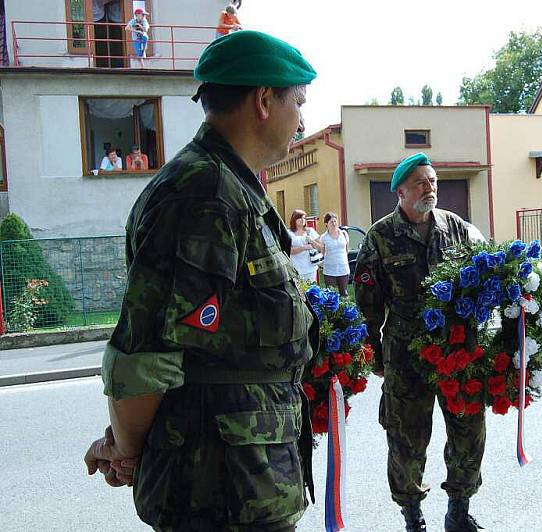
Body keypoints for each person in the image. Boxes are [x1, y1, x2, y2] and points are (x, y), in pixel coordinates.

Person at [83, 31, 318, 531]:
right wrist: (125, 448)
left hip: (247, 483)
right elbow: (148, 353)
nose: (302, 119)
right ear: (262, 100)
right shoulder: (204, 193)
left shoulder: (232, 187)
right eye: (298, 102)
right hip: (216, 492)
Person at [354, 153, 484, 532]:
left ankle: (459, 508)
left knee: (468, 431)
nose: (430, 188)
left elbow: (481, 281)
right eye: (421, 183)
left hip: (457, 349)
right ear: (400, 191)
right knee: (407, 439)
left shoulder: (456, 228)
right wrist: (374, 355)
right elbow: (367, 305)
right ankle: (412, 513)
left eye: (433, 181)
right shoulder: (380, 236)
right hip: (406, 356)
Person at [318, 212, 350, 296]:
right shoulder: (323, 237)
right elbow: (322, 252)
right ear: (326, 224)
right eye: (331, 222)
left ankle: (345, 309)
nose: (334, 223)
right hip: (329, 269)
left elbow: (346, 250)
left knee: (344, 293)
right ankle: (332, 309)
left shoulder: (344, 234)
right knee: (330, 294)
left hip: (343, 268)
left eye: (335, 221)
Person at [288, 209, 323, 283]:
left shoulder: (310, 231)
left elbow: (321, 247)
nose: (302, 220)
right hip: (296, 269)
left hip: (311, 268)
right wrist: (305, 247)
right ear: (294, 219)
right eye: (300, 218)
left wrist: (312, 242)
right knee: (299, 292)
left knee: (311, 291)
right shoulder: (289, 233)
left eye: (304, 218)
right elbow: (290, 251)